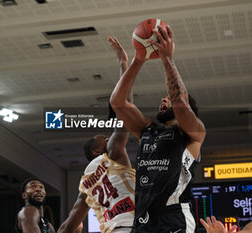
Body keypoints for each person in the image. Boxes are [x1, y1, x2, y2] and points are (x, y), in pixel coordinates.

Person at [110, 25, 206, 233]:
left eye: (168, 99)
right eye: (163, 99)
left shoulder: (193, 133)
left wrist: (167, 58)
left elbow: (180, 103)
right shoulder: (147, 131)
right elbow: (117, 102)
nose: (164, 100)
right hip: (144, 218)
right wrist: (138, 60)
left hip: (175, 217)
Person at [57, 36, 136, 233]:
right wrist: (123, 64)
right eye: (105, 139)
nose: (110, 139)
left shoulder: (85, 183)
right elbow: (126, 108)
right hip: (134, 226)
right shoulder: (113, 154)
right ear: (97, 151)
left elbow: (68, 225)